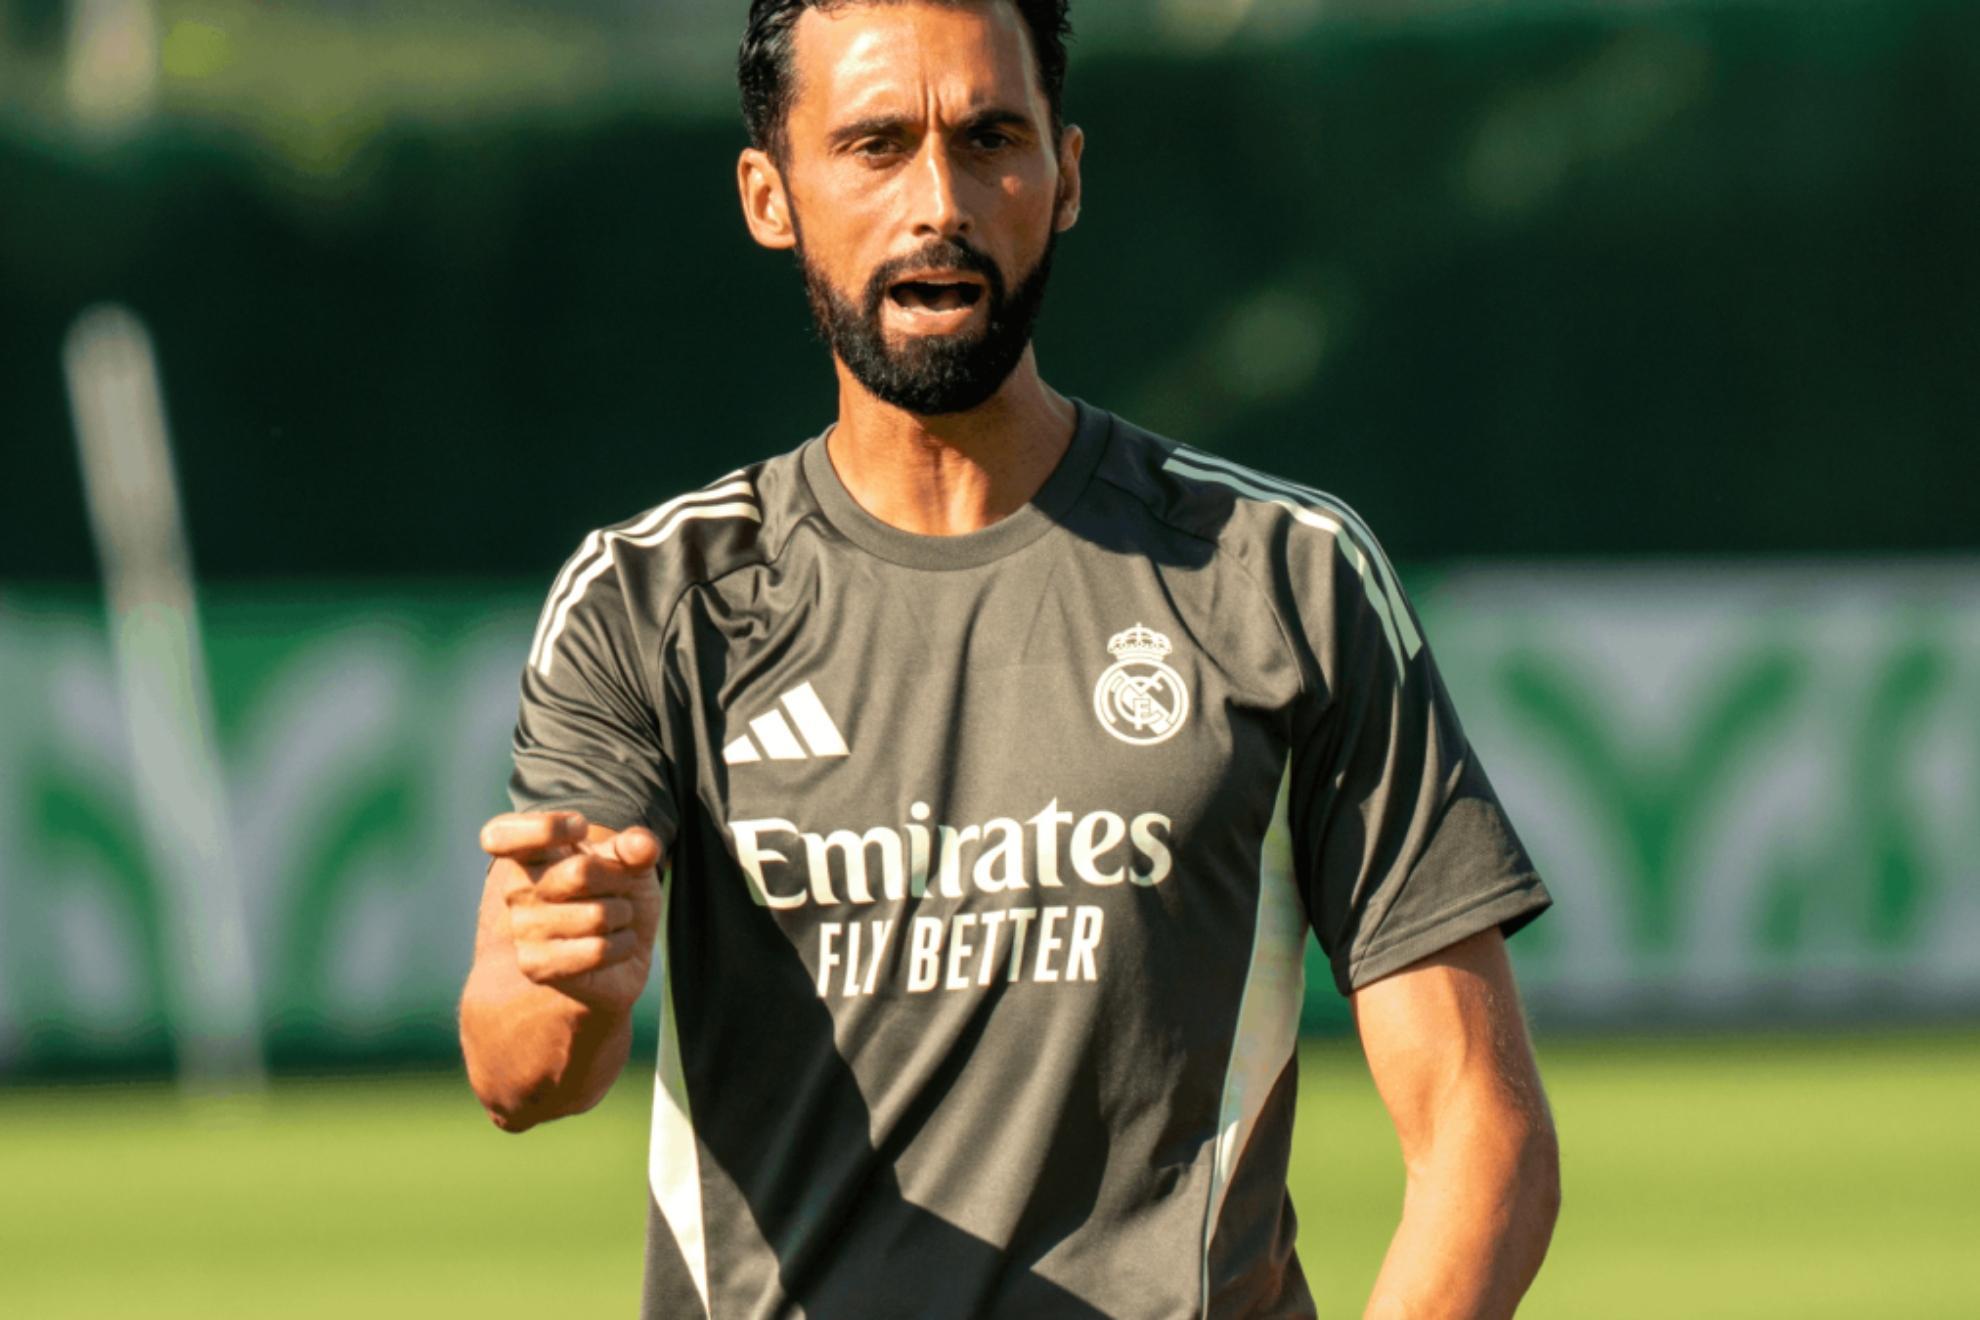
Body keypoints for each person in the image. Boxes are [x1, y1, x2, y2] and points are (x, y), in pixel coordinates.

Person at [458, 1, 1560, 1315]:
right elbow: (519, 1068)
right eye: (874, 145)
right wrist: (574, 983)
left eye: (990, 139)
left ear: (1067, 174)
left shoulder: (1283, 578)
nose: (941, 203)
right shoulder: (652, 600)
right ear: (770, 196)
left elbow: (1482, 1131)